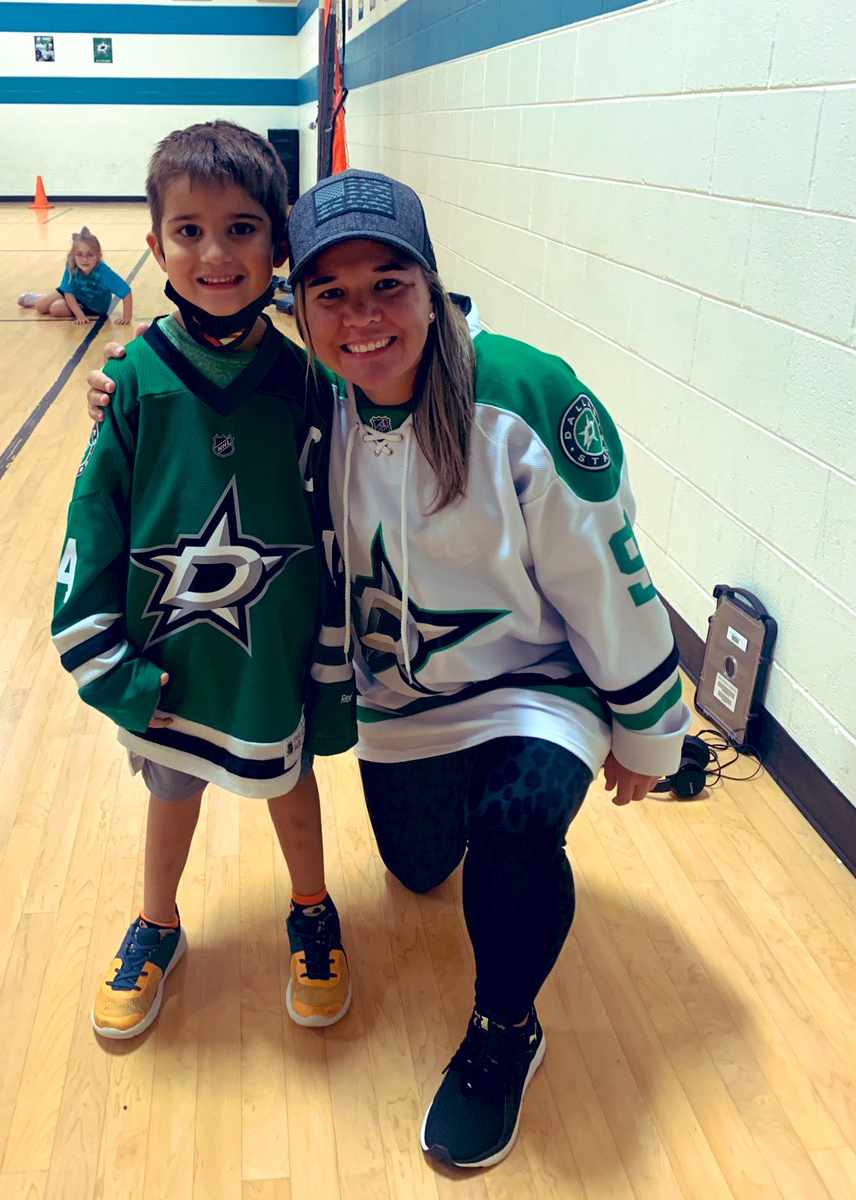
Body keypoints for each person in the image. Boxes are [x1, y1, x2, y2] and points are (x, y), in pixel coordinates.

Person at [86, 168, 690, 1167]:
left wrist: (649, 727)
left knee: (514, 826)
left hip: (537, 687)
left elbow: (610, 571)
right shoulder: (310, 397)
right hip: (403, 702)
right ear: (299, 305)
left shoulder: (524, 390)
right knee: (417, 871)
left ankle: (505, 1032)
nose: (362, 317)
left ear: (431, 285)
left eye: (388, 286)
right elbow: (200, 408)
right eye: (332, 293)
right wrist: (125, 387)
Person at [52, 123, 356, 1042]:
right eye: (189, 231)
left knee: (290, 782)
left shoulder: (306, 382)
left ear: (279, 246)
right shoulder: (134, 380)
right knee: (171, 789)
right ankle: (158, 922)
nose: (215, 253)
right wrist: (110, 663)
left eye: (240, 229)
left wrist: (332, 659)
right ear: (155, 247)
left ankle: (312, 908)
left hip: (273, 654)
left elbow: (337, 518)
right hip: (172, 655)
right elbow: (92, 526)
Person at [19, 226, 133, 326]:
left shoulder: (104, 273)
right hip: (73, 293)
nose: (84, 259)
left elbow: (126, 292)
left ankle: (54, 298)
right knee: (40, 306)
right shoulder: (72, 266)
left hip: (94, 307)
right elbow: (68, 293)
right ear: (73, 255)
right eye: (79, 255)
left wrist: (127, 317)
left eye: (90, 255)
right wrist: (79, 315)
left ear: (98, 256)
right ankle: (41, 298)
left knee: (55, 309)